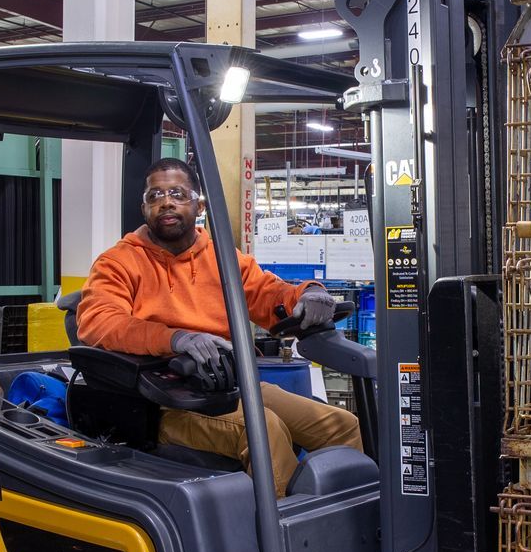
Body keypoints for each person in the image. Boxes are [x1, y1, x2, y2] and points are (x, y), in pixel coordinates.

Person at [77, 157, 363, 496]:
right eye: (155, 196)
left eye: (177, 193)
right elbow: (99, 322)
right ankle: (287, 540)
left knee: (342, 425)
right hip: (163, 402)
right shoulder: (119, 262)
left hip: (227, 388)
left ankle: (353, 524)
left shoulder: (222, 258)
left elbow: (268, 293)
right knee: (264, 430)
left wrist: (309, 293)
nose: (165, 202)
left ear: (198, 204)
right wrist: (176, 338)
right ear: (144, 208)